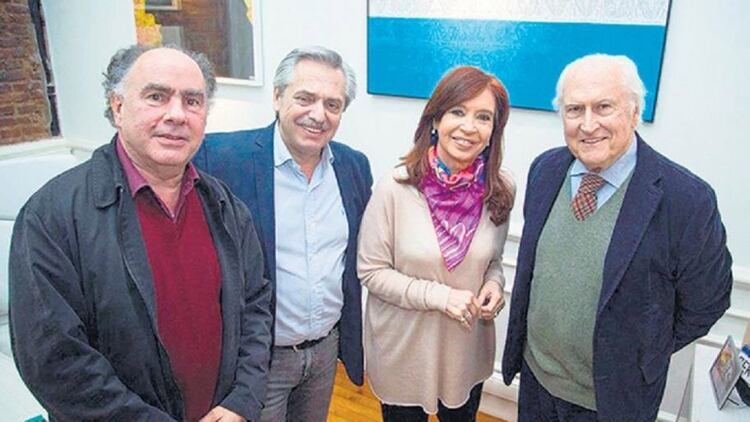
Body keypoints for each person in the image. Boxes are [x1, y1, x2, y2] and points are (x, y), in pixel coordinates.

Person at [9, 45, 273, 422]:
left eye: (193, 101)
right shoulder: (51, 215)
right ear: (117, 107)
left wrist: (242, 400)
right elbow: (54, 359)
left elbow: (256, 306)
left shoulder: (225, 206)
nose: (177, 115)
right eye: (156, 97)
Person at [502, 54, 733, 422]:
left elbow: (708, 301)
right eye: (575, 109)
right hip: (537, 385)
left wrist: (643, 352)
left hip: (612, 402)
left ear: (635, 111)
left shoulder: (686, 199)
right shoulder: (545, 170)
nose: (588, 124)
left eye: (604, 107)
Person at [193, 46, 372, 422]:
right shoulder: (221, 158)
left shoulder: (354, 167)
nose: (318, 115)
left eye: (333, 104)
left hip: (324, 353)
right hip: (258, 361)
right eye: (305, 98)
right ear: (277, 97)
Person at [357, 66, 515, 421]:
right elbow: (370, 272)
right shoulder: (394, 187)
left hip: (465, 351)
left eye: (483, 117)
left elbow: (493, 260)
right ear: (435, 120)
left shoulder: (500, 190)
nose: (469, 126)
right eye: (458, 111)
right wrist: (441, 297)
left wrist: (494, 283)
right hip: (405, 353)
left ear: (493, 131)